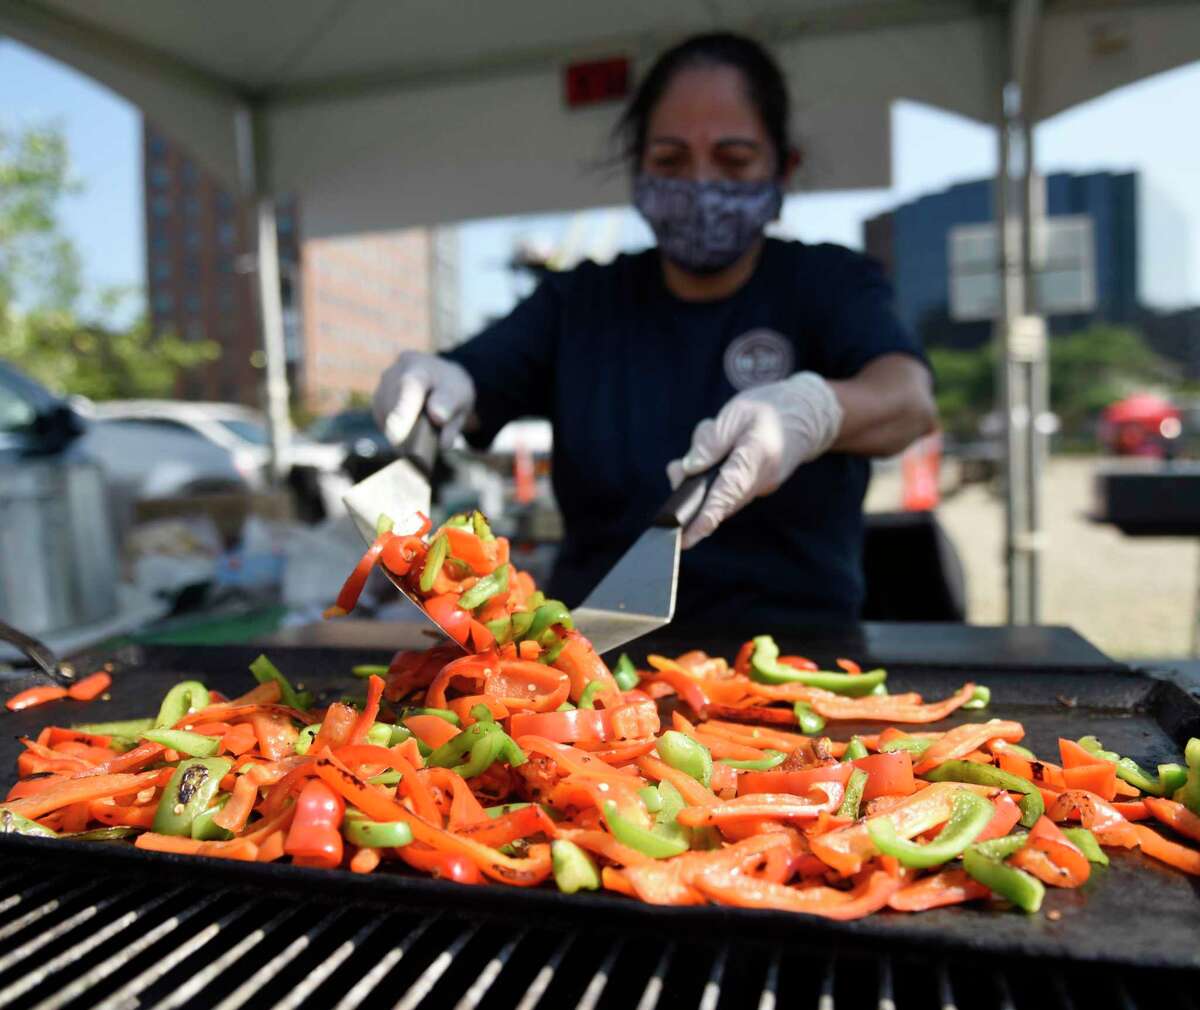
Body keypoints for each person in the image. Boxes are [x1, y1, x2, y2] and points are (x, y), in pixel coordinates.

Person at [373, 32, 936, 629]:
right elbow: (474, 386)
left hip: (797, 649)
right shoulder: (579, 301)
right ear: (639, 169)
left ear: (782, 168)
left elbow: (909, 399)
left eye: (733, 160)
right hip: (590, 661)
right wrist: (438, 383)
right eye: (670, 161)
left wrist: (817, 409)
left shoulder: (827, 282)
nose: (699, 184)